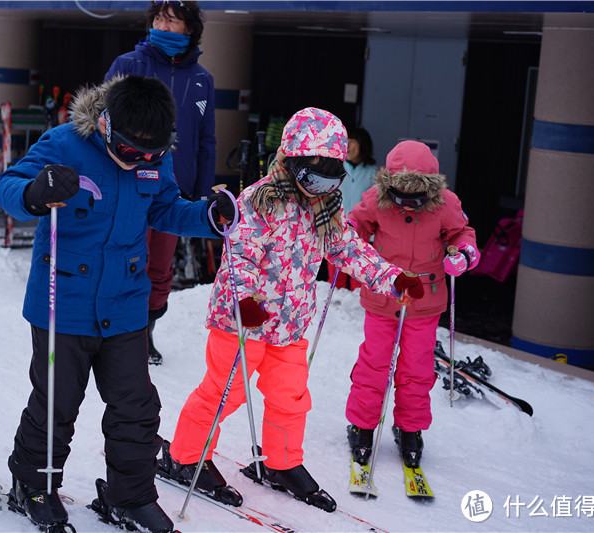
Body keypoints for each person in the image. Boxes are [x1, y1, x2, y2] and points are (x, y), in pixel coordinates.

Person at [0, 74, 234, 533]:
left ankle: (131, 495)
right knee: (57, 403)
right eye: (129, 150)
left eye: (152, 154)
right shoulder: (64, 143)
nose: (140, 160)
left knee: (136, 406)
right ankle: (33, 483)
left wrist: (207, 215)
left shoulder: (153, 159)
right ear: (106, 125)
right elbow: (11, 187)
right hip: (62, 302)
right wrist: (34, 192)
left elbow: (164, 208)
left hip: (125, 304)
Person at [158, 108, 424, 512]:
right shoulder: (257, 201)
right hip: (243, 323)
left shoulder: (326, 210)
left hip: (291, 326)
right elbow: (239, 259)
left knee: (291, 397)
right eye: (314, 170)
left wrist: (393, 278)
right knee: (223, 393)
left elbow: (350, 250)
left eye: (331, 171)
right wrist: (243, 303)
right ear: (292, 161)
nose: (321, 181)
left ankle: (282, 462)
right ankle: (185, 455)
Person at [345, 140, 480, 470]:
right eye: (400, 196)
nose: (407, 204)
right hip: (384, 295)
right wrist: (348, 235)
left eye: (416, 198)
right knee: (374, 364)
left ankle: (410, 430)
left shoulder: (446, 203)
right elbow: (356, 224)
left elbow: (463, 234)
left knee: (416, 370)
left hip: (424, 300)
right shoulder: (376, 199)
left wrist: (462, 255)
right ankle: (362, 425)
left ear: (430, 190)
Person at [105, 0, 216, 365]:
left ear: (190, 29)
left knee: (160, 269)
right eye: (159, 19)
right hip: (128, 183)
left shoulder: (202, 79)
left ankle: (146, 330)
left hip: (173, 192)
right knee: (127, 260)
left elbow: (205, 140)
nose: (164, 26)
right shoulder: (128, 65)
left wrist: (200, 197)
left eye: (173, 20)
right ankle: (124, 333)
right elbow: (101, 124)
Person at [329, 126, 377, 291]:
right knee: (335, 283)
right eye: (345, 142)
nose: (347, 146)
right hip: (336, 231)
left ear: (362, 144)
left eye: (351, 142)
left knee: (358, 283)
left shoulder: (374, 173)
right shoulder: (335, 167)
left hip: (362, 235)